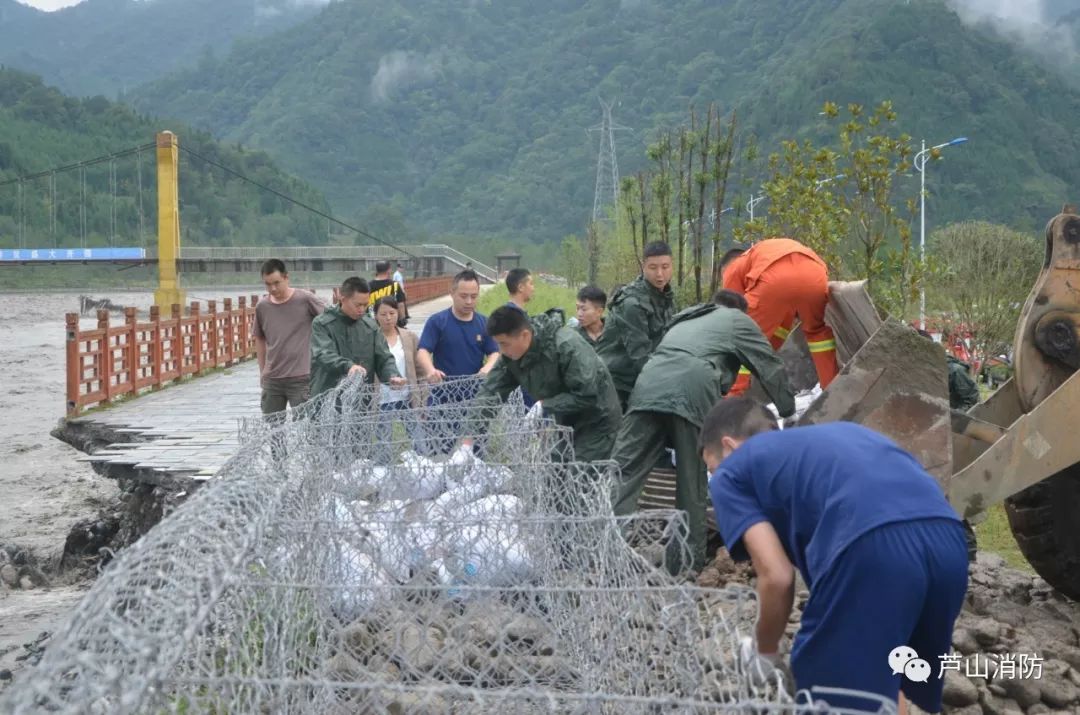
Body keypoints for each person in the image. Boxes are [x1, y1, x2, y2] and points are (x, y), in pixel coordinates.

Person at [699, 398, 968, 715]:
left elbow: (777, 575)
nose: (716, 477)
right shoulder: (841, 435)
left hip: (872, 548)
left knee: (827, 690)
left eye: (711, 468)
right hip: (948, 542)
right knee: (882, 673)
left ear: (729, 447)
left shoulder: (733, 470)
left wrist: (764, 650)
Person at [611, 290, 794, 575]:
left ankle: (599, 552)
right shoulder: (736, 319)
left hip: (648, 384)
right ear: (740, 311)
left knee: (622, 473)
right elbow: (768, 365)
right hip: (692, 389)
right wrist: (788, 411)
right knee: (691, 481)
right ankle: (683, 566)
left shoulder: (685, 318)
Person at [464, 306, 621, 462]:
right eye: (498, 344)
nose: (501, 350)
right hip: (563, 418)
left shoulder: (567, 346)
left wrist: (544, 405)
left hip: (598, 418)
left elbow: (587, 395)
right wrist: (467, 444)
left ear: (525, 335)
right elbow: (490, 394)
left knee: (581, 475)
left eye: (504, 344)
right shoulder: (510, 356)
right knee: (553, 471)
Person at [721, 237, 838, 395]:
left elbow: (733, 318)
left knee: (741, 340)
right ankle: (832, 391)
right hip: (814, 274)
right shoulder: (761, 254)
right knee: (817, 333)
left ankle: (731, 399)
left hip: (773, 279)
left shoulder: (733, 267)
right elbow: (778, 323)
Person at [597, 241, 676, 411]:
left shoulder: (665, 296)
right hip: (616, 384)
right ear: (643, 266)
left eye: (665, 266)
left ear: (672, 265)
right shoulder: (632, 303)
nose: (660, 274)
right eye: (653, 267)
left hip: (640, 380)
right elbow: (640, 356)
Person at [310, 277, 405, 398]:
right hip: (327, 396)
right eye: (358, 305)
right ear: (342, 299)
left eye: (365, 305)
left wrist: (392, 375)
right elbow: (323, 354)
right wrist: (348, 366)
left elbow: (384, 357)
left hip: (360, 400)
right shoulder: (322, 324)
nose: (362, 309)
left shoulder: (371, 326)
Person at [253, 259, 324, 419]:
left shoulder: (305, 299)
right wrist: (262, 370)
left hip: (301, 377)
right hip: (273, 378)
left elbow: (329, 319)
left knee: (306, 425)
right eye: (268, 284)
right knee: (273, 427)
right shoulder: (262, 307)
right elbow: (259, 338)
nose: (273, 288)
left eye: (276, 283)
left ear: (286, 277)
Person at [372, 296, 424, 461]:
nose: (388, 318)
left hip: (407, 397)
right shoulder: (371, 338)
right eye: (383, 314)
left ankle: (422, 471)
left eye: (392, 313)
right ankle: (384, 476)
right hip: (382, 399)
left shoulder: (409, 337)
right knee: (383, 443)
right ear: (375, 316)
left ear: (398, 313)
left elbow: (419, 369)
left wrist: (422, 395)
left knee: (419, 441)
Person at [368, 261, 409, 326]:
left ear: (376, 270)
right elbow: (400, 304)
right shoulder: (395, 285)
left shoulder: (368, 285)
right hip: (392, 321)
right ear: (389, 270)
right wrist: (402, 319)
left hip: (374, 322)